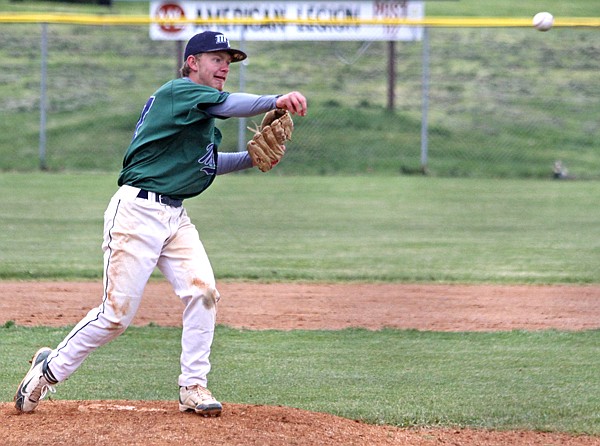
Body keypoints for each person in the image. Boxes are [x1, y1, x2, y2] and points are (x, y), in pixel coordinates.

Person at [14, 30, 307, 417]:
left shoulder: (198, 112)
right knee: (115, 316)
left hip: (175, 217)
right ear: (192, 63)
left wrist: (251, 160)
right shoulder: (180, 92)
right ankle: (47, 371)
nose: (224, 67)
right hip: (137, 213)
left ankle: (193, 386)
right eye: (216, 58)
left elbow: (206, 163)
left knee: (204, 293)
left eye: (229, 61)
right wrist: (276, 100)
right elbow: (230, 105)